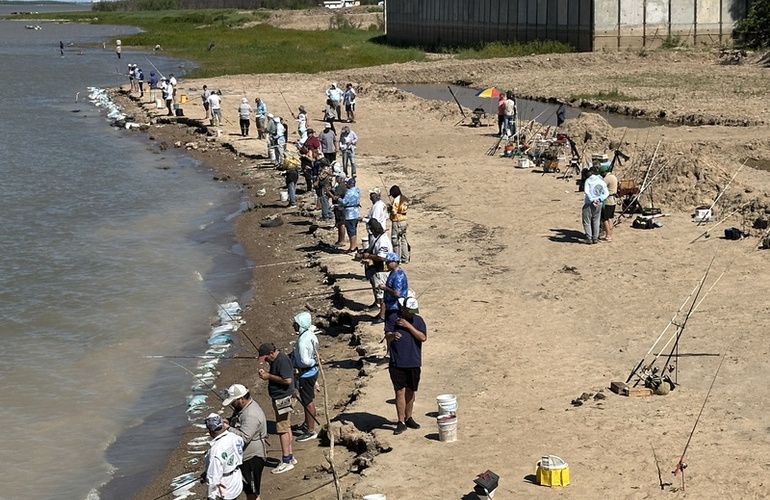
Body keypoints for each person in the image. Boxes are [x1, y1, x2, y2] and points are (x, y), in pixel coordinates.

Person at [383, 297, 427, 435]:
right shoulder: (392, 318)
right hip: (397, 361)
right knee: (399, 391)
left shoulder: (418, 321)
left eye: (413, 312)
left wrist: (408, 326)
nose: (411, 314)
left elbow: (423, 337)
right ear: (403, 308)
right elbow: (387, 335)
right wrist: (392, 335)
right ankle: (400, 421)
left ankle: (409, 417)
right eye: (409, 311)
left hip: (413, 361)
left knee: (411, 391)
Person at [221, 385, 268, 500]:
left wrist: (227, 428)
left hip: (252, 457)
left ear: (241, 399)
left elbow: (244, 438)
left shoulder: (250, 414)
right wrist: (228, 421)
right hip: (245, 457)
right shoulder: (243, 408)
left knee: (253, 493)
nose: (232, 404)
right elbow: (239, 422)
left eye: (233, 401)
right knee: (248, 490)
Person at [257, 342, 296, 474]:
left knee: (282, 429)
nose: (265, 360)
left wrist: (268, 376)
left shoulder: (282, 360)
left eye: (266, 358)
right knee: (286, 427)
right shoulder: (277, 360)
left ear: (271, 353)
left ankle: (286, 461)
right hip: (281, 397)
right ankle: (290, 456)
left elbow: (287, 380)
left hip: (283, 399)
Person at [291, 311, 320, 442]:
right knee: (307, 399)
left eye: (296, 323)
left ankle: (310, 430)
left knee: (307, 401)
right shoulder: (310, 334)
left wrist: (313, 362)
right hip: (312, 372)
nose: (293, 325)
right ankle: (307, 423)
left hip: (306, 374)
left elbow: (304, 361)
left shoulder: (303, 341)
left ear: (301, 324)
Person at [357, 219, 392, 323]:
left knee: (381, 294)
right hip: (377, 270)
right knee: (378, 293)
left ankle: (383, 315)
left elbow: (381, 257)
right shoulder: (378, 238)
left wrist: (368, 256)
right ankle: (381, 313)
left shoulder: (383, 241)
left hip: (382, 270)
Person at [202, 413, 244, 500]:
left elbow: (213, 478)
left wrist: (211, 496)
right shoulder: (235, 437)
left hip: (226, 486)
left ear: (210, 431)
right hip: (236, 479)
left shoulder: (215, 451)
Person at [582, 164, 609, 244]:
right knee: (596, 221)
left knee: (587, 221)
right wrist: (600, 199)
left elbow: (586, 191)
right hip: (599, 203)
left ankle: (589, 237)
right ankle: (595, 237)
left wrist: (592, 200)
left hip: (589, 203)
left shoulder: (588, 180)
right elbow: (606, 193)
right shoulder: (601, 181)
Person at [380, 252, 408, 322]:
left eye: (388, 262)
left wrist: (385, 288)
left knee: (391, 326)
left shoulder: (398, 276)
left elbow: (397, 293)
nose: (386, 264)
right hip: (389, 307)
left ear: (395, 262)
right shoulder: (393, 273)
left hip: (395, 308)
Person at [388, 185, 410, 264]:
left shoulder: (396, 200)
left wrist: (390, 209)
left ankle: (397, 259)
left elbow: (394, 212)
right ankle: (405, 257)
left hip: (397, 221)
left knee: (395, 240)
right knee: (403, 239)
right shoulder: (405, 198)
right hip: (404, 221)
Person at [337, 177, 360, 252]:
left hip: (350, 214)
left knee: (351, 231)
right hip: (356, 213)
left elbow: (344, 202)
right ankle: (354, 245)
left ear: (350, 184)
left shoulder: (349, 192)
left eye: (347, 183)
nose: (346, 185)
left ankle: (352, 247)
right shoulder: (357, 190)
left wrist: (338, 198)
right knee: (354, 230)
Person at [329, 172, 348, 247]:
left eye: (337, 177)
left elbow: (335, 197)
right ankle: (339, 240)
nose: (336, 178)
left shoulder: (341, 186)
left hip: (340, 207)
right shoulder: (341, 185)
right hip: (339, 207)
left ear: (342, 178)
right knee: (340, 224)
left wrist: (328, 192)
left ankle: (341, 241)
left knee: (341, 224)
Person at [600, 164, 618, 242]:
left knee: (604, 219)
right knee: (610, 218)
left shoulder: (606, 179)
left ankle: (607, 235)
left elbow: (600, 188)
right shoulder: (614, 177)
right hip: (613, 200)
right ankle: (610, 234)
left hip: (607, 200)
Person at [300, 128, 321, 193]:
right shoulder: (307, 139)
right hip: (306, 156)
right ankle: (310, 187)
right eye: (307, 133)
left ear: (312, 133)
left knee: (312, 173)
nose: (308, 134)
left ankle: (312, 187)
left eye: (309, 133)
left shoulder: (314, 139)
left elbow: (317, 147)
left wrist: (315, 155)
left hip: (311, 156)